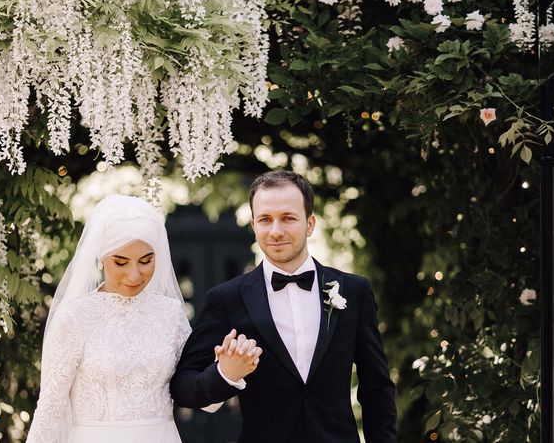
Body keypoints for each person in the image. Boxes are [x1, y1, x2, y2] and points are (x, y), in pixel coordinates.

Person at [170, 170, 398, 443]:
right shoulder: (226, 298)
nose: (275, 231)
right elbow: (184, 387)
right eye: (265, 220)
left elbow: (376, 388)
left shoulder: (354, 291)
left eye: (288, 218)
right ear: (254, 225)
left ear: (310, 224)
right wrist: (225, 374)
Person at [26, 194, 261, 443]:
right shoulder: (74, 318)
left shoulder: (169, 314)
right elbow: (51, 408)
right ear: (101, 257)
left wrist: (225, 371)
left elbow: (202, 400)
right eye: (121, 262)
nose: (134, 274)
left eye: (146, 261)